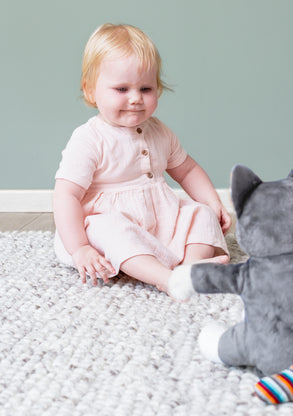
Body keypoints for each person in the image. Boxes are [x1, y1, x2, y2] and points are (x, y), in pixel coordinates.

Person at [53, 23, 231, 295]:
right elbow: (66, 195)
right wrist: (80, 248)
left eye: (145, 89)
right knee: (111, 229)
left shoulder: (159, 131)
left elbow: (187, 169)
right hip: (108, 224)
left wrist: (212, 202)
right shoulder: (89, 138)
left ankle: (191, 267)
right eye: (122, 89)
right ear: (90, 91)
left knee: (200, 213)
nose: (136, 99)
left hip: (159, 219)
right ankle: (164, 278)